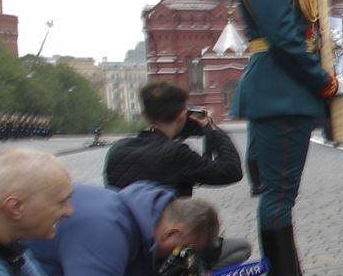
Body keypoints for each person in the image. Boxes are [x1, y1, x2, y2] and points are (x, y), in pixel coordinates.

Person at [228, 0, 339, 276]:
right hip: (282, 92)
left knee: (276, 193)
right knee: (278, 196)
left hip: (276, 89)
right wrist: (322, 81)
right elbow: (285, 39)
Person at [23, 182, 219, 276]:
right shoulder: (106, 232)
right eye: (182, 250)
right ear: (171, 233)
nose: (180, 256)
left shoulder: (137, 211)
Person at [104, 82, 244, 199]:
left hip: (126, 230)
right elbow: (231, 171)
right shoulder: (177, 153)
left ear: (144, 115)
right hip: (166, 230)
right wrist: (213, 128)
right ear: (182, 116)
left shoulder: (117, 149)